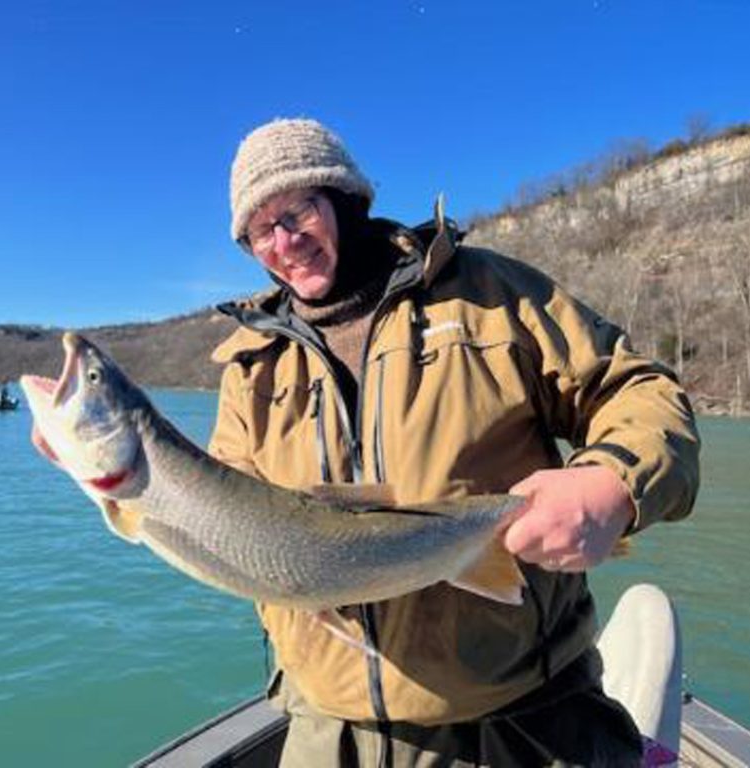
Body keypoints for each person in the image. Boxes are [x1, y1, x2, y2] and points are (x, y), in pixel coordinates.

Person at [206, 118, 700, 767]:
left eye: (298, 210)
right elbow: (225, 506)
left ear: (345, 198)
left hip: (525, 719)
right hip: (328, 729)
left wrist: (612, 480)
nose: (284, 241)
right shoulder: (251, 363)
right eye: (259, 230)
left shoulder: (488, 294)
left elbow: (639, 391)